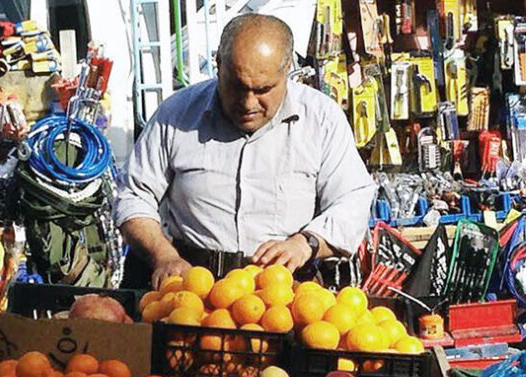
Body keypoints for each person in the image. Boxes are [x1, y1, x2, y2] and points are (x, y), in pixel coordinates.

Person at [114, 13, 375, 289]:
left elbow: (352, 200)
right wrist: (164, 256)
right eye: (237, 86)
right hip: (191, 288)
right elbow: (133, 195)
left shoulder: (321, 119)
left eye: (263, 89)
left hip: (284, 294)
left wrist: (306, 243)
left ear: (287, 70)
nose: (248, 102)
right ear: (218, 65)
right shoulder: (176, 114)